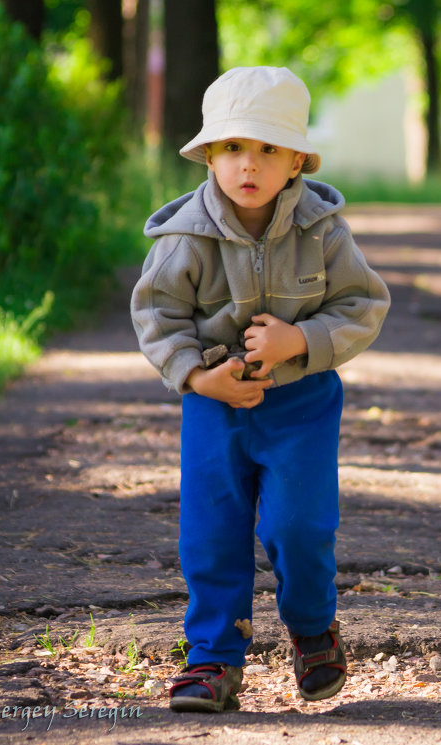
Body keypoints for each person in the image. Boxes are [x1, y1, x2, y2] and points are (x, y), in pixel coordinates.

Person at [130, 66, 390, 713]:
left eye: (269, 148)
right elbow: (157, 316)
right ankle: (213, 658)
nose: (250, 164)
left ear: (297, 157)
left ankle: (311, 629)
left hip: (300, 403)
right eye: (234, 147)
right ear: (210, 154)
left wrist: (299, 342)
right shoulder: (183, 235)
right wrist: (196, 375)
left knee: (299, 525)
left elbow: (362, 304)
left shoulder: (321, 229)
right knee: (211, 532)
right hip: (216, 406)